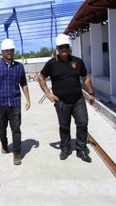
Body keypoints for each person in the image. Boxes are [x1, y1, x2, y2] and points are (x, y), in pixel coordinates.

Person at [38, 33, 95, 163]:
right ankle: (65, 148)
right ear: (57, 48)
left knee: (83, 123)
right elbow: (41, 77)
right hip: (61, 102)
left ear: (68, 47)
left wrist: (91, 94)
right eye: (61, 47)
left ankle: (81, 150)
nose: (64, 49)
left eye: (66, 46)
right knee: (64, 126)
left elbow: (85, 78)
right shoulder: (51, 64)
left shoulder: (77, 61)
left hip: (78, 100)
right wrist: (47, 93)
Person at [0, 38, 30, 165]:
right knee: (2, 127)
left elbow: (23, 83)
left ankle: (17, 153)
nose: (9, 52)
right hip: (0, 102)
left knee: (16, 128)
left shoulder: (19, 66)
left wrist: (28, 99)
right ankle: (4, 144)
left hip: (15, 102)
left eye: (11, 50)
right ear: (3, 51)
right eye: (7, 50)